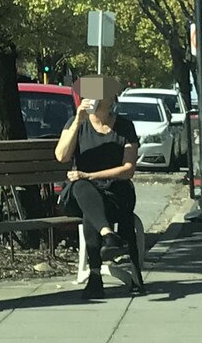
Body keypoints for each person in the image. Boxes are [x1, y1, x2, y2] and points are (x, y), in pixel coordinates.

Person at [55, 74, 143, 299]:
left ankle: (96, 279)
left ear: (110, 98)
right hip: (82, 194)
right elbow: (62, 156)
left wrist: (90, 174)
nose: (90, 97)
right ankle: (109, 236)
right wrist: (77, 120)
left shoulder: (124, 126)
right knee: (82, 188)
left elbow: (128, 169)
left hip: (115, 192)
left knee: (92, 211)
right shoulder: (77, 123)